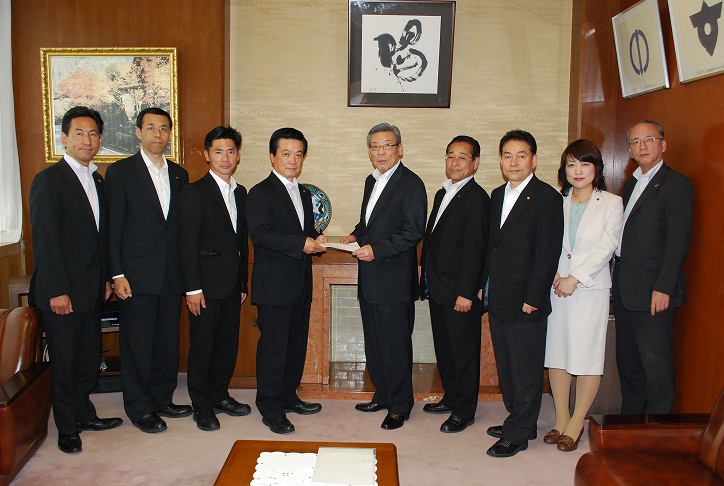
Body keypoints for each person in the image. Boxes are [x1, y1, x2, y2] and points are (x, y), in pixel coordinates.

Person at [29, 106, 123, 453]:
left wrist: (107, 279)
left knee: (87, 358)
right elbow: (45, 241)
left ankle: (84, 413)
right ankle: (66, 427)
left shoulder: (98, 180)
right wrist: (57, 290)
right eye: (80, 133)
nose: (88, 140)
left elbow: (101, 238)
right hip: (63, 293)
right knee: (65, 362)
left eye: (94, 133)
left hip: (91, 290)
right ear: (64, 138)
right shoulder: (49, 180)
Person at [105, 107, 192, 434]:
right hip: (135, 275)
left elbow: (180, 229)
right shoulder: (121, 172)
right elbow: (113, 227)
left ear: (170, 133)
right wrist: (117, 273)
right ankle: (139, 407)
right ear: (138, 132)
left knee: (167, 342)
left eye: (164, 128)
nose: (158, 134)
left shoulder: (179, 174)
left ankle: (162, 399)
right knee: (138, 344)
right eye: (152, 127)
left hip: (171, 275)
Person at [340, 122, 427, 430]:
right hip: (370, 279)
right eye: (375, 146)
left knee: (395, 346)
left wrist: (376, 250)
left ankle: (400, 405)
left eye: (387, 145)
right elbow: (371, 222)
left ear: (399, 149)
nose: (380, 152)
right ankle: (383, 394)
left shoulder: (411, 183)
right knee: (375, 343)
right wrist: (355, 234)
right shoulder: (371, 180)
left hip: (394, 281)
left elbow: (413, 231)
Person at [482, 129, 563, 458]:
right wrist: (483, 284)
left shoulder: (547, 198)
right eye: (507, 156)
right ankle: (520, 420)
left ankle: (518, 433)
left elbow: (547, 253)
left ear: (534, 160)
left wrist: (534, 297)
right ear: (500, 160)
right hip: (499, 295)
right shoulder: (497, 195)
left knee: (526, 368)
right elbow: (492, 247)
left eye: (521, 155)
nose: (513, 162)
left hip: (526, 298)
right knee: (507, 365)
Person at [246, 127, 327, 434]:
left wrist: (316, 238)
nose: (293, 160)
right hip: (274, 286)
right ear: (272, 156)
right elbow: (260, 234)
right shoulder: (260, 192)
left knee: (295, 345)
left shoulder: (303, 192)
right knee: (274, 349)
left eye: (298, 154)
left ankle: (289, 396)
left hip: (300, 282)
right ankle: (271, 408)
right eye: (286, 154)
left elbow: (302, 230)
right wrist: (300, 243)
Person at [544, 140, 623, 452]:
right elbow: (546, 241)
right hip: (556, 286)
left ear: (597, 169)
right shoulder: (556, 201)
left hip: (589, 289)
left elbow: (607, 247)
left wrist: (574, 278)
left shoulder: (611, 203)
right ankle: (561, 418)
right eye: (571, 164)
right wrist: (555, 275)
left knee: (587, 355)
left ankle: (577, 422)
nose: (577, 171)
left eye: (584, 164)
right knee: (557, 352)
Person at [613, 120, 694, 414]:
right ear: (630, 150)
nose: (642, 146)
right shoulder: (631, 184)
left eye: (649, 139)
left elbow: (677, 242)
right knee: (629, 366)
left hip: (654, 293)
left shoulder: (676, 185)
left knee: (656, 367)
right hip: (625, 288)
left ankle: (658, 431)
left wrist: (664, 288)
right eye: (636, 142)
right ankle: (631, 426)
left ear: (663, 144)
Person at [178, 126, 251, 431]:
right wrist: (192, 288)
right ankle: (202, 405)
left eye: (231, 151)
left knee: (226, 345)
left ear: (238, 155)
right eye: (218, 151)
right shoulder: (194, 192)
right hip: (204, 286)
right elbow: (187, 245)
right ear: (207, 155)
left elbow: (240, 242)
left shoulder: (241, 192)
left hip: (232, 285)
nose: (225, 157)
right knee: (203, 347)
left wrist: (243, 283)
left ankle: (220, 394)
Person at [419, 135, 490, 433]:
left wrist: (466, 293)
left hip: (460, 292)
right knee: (446, 350)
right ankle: (451, 397)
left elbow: (476, 250)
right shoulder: (443, 192)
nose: (455, 162)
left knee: (463, 353)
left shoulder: (477, 199)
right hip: (439, 288)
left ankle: (464, 410)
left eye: (462, 157)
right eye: (451, 156)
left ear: (475, 163)